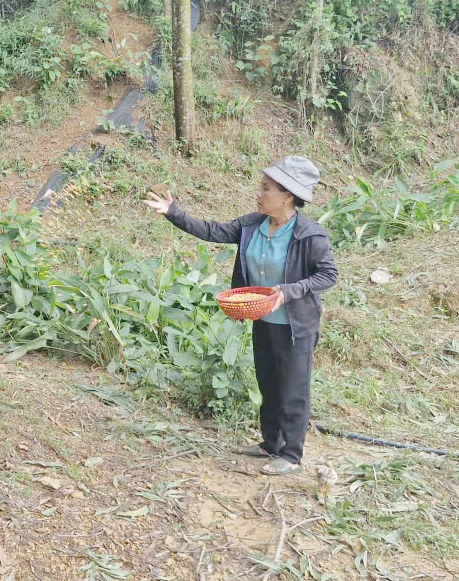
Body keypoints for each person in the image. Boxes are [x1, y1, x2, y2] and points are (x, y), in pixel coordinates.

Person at [143, 156, 338, 475]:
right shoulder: (252, 224)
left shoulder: (309, 235)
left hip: (295, 326)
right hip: (263, 320)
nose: (259, 193)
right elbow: (211, 231)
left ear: (287, 195)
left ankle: (291, 454)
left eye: (266, 188)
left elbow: (328, 275)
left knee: (293, 388)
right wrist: (173, 212)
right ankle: (270, 444)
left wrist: (289, 291)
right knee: (269, 383)